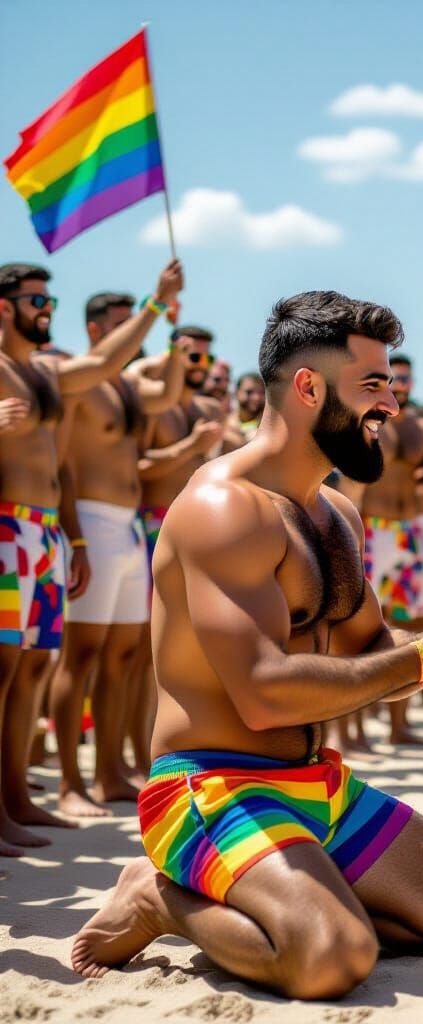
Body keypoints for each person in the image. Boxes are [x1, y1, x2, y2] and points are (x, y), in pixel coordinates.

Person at [71, 289, 423, 997]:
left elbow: (374, 650)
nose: (389, 405)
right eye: (372, 385)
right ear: (307, 388)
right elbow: (264, 693)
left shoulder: (332, 512)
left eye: (389, 386)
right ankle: (160, 897)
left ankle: (289, 899)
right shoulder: (225, 508)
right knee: (329, 959)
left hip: (314, 785)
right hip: (210, 788)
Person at [0, 258, 182, 856]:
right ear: (4, 308)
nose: (46, 308)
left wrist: (158, 306)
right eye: (34, 300)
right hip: (9, 531)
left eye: (48, 299)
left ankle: (16, 799)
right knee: (8, 670)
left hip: (44, 532)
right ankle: (30, 795)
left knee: (28, 669)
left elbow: (106, 363)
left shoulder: (40, 375)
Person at [50, 292, 186, 817]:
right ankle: (68, 781)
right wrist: (76, 537)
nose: (133, 331)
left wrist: (173, 334)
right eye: (120, 323)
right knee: (80, 655)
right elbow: (62, 466)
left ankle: (109, 773)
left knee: (124, 657)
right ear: (92, 329)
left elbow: (170, 391)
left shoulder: (125, 388)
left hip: (128, 529)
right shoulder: (74, 378)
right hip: (91, 521)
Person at [122, 326, 225, 776]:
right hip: (151, 524)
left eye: (204, 357)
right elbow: (137, 466)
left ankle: (172, 751)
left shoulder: (207, 409)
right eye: (189, 356)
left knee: (187, 650)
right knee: (145, 651)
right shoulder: (154, 408)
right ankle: (135, 754)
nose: (197, 366)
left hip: (198, 532)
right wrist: (188, 448)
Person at [342, 353, 423, 745]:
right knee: (367, 626)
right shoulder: (367, 425)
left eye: (404, 378)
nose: (399, 384)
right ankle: (353, 727)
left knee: (413, 625)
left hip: (413, 531)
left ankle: (398, 724)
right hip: (376, 532)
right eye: (392, 378)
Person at [227, 372, 266, 443]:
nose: (256, 398)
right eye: (249, 392)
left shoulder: (270, 426)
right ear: (236, 393)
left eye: (261, 392)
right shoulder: (225, 424)